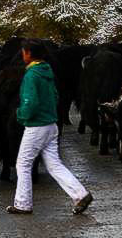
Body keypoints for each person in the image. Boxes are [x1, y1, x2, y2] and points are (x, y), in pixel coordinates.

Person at [7, 39, 93, 216]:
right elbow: (55, 95)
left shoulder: (31, 75)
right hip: (51, 124)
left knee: (23, 164)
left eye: (24, 51)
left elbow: (30, 101)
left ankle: (23, 203)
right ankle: (80, 194)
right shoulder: (47, 71)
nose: (22, 54)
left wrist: (21, 114)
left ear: (29, 54)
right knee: (54, 164)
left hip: (36, 126)